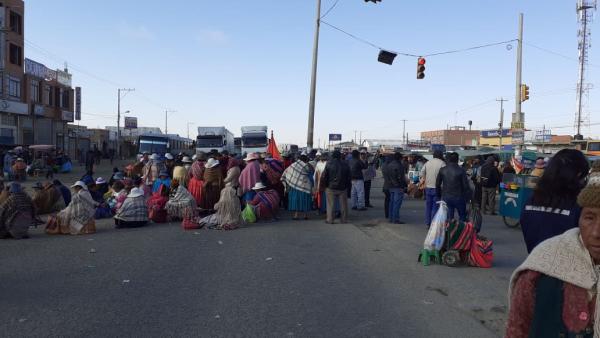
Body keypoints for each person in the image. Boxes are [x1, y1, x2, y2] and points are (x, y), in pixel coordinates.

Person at [505, 165, 600, 337]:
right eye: (589, 218)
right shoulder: (539, 272)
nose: (596, 232)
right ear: (579, 218)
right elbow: (517, 328)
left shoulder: (533, 200)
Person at [520, 149, 590, 253]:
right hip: (569, 266)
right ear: (578, 175)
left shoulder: (531, 201)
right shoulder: (579, 205)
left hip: (534, 263)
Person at [436, 152, 471, 222]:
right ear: (457, 160)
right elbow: (465, 186)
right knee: (462, 216)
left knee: (449, 217)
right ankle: (461, 231)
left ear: (449, 159)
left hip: (446, 196)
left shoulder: (442, 170)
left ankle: (449, 231)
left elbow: (437, 184)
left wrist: (439, 195)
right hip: (459, 197)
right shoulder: (461, 170)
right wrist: (469, 198)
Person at [320, 150, 350, 224]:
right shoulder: (345, 164)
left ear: (333, 156)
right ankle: (344, 220)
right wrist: (347, 185)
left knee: (330, 204)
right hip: (343, 187)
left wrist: (325, 185)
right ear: (340, 156)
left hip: (331, 187)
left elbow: (324, 176)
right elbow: (349, 176)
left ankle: (330, 219)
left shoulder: (329, 163)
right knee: (344, 205)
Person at [282, 154, 314, 220]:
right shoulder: (308, 166)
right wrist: (312, 185)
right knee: (305, 200)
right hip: (305, 186)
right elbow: (311, 176)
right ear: (305, 160)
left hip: (294, 186)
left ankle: (296, 215)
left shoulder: (293, 165)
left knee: (296, 200)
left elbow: (286, 173)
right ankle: (305, 215)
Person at [420, 150, 446, 226]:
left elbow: (422, 173)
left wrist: (425, 178)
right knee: (435, 206)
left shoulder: (428, 163)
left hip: (428, 187)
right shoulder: (442, 163)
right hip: (437, 188)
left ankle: (427, 222)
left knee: (428, 206)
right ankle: (433, 223)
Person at [382, 152, 408, 224]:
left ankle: (391, 218)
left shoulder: (389, 165)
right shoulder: (399, 166)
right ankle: (395, 219)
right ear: (400, 158)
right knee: (396, 204)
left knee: (391, 203)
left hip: (390, 186)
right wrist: (403, 186)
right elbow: (400, 177)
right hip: (398, 187)